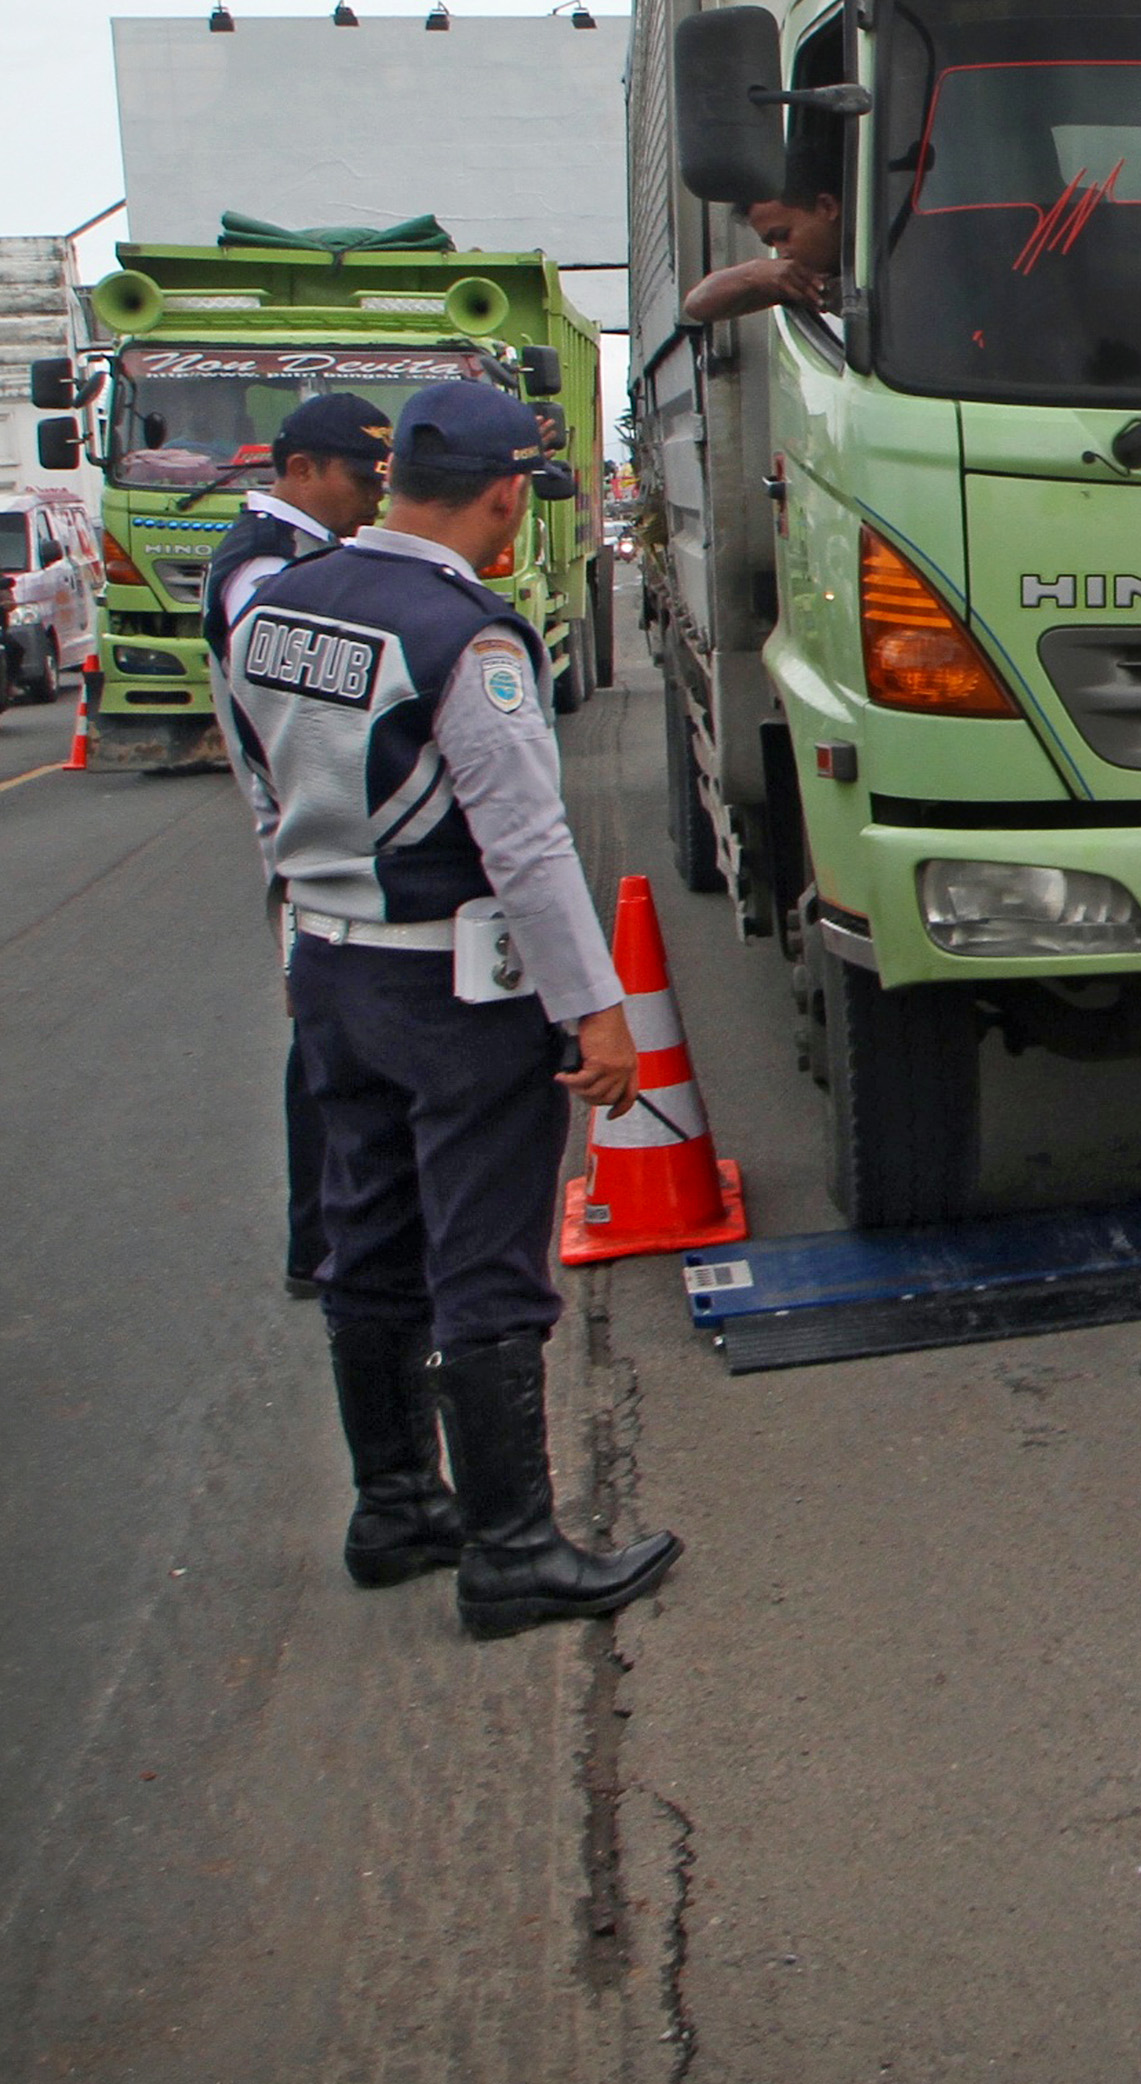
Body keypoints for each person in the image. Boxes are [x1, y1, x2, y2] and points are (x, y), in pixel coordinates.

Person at [224, 381, 681, 1639]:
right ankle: (514, 1549)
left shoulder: (273, 606)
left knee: (364, 1242)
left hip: (329, 969)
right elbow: (526, 844)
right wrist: (595, 1010)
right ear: (501, 497)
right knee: (483, 1260)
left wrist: (299, 933)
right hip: (452, 988)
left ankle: (394, 1510)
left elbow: (259, 784)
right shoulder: (462, 633)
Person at [201, 391, 394, 1297]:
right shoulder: (262, 571)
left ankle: (337, 1235)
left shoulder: (306, 554)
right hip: (307, 838)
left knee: (340, 1037)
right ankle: (321, 1247)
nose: (373, 498)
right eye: (360, 478)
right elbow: (294, 709)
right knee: (328, 1046)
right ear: (301, 470)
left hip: (322, 833)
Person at [680, 188, 840, 325]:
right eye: (772, 244)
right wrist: (753, 274)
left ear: (827, 206)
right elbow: (696, 305)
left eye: (784, 235)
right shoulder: (798, 278)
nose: (782, 253)